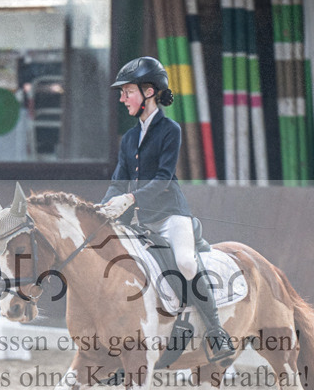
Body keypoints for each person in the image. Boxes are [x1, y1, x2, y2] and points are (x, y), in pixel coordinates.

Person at [97, 56, 235, 362]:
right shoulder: (130, 137)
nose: (122, 99)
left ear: (148, 91)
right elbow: (119, 181)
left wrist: (130, 200)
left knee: (185, 262)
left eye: (127, 92)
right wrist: (103, 208)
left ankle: (216, 332)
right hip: (144, 221)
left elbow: (162, 179)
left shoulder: (170, 130)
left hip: (173, 216)